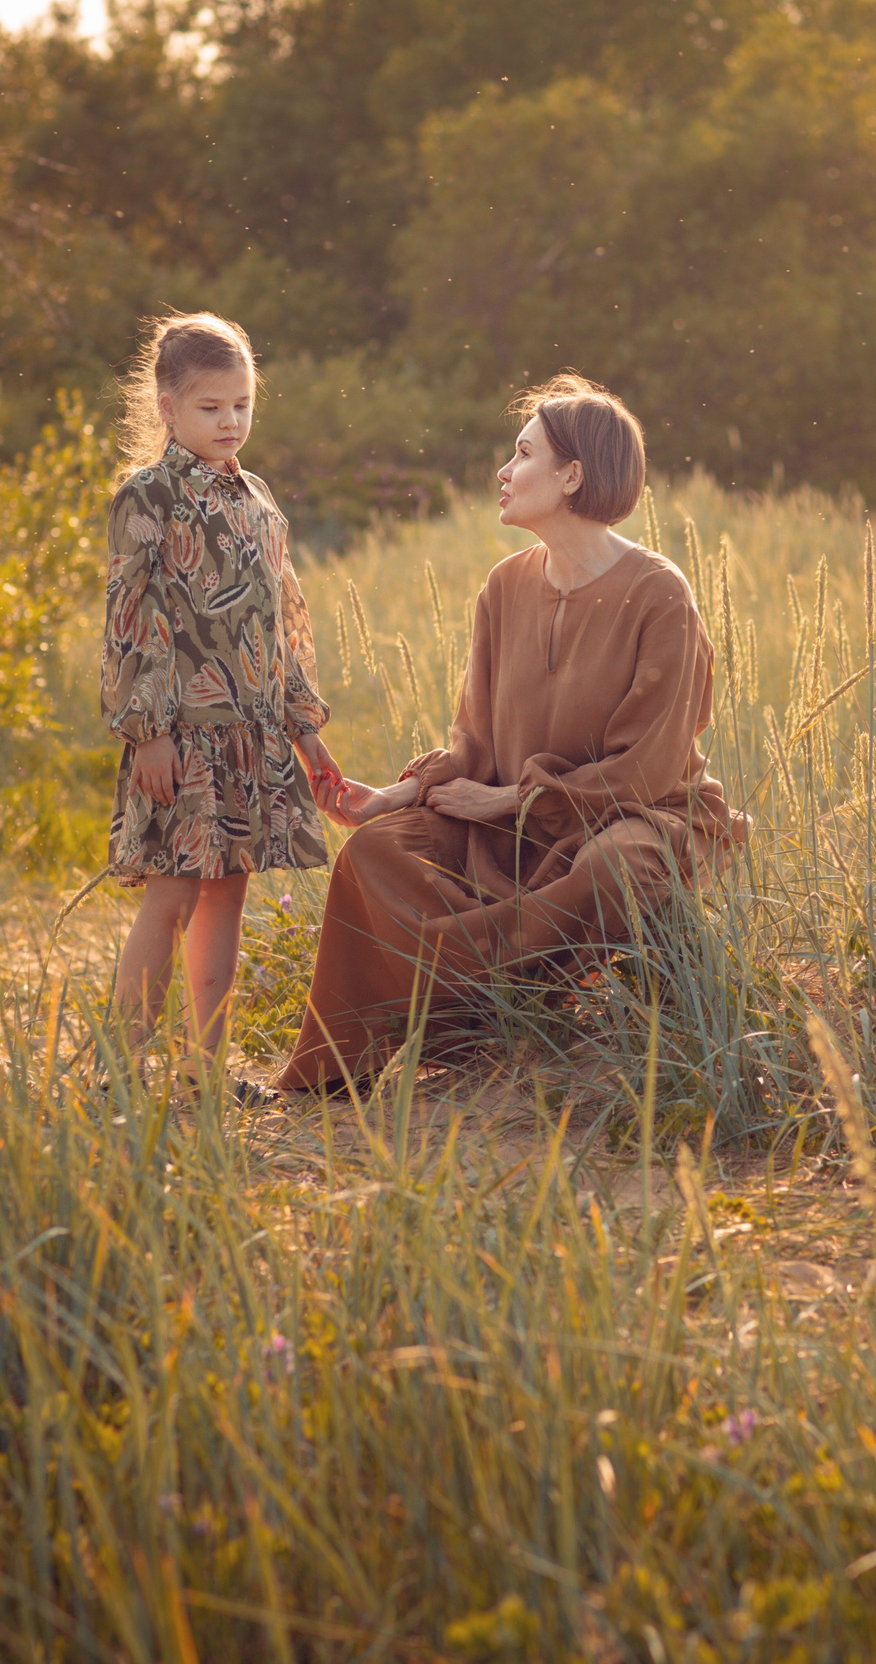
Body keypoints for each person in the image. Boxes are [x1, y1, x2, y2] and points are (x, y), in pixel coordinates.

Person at [278, 374, 746, 1091]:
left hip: (639, 816)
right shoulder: (504, 585)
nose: (503, 471)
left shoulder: (659, 594)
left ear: (572, 476)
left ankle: (495, 1014)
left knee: (614, 867)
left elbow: (648, 768)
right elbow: (475, 742)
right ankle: (339, 1074)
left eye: (522, 454)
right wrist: (398, 796)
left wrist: (509, 803)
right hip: (511, 825)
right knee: (376, 852)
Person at [100, 313, 344, 1088]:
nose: (230, 421)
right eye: (211, 407)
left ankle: (206, 1069)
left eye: (242, 404)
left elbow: (284, 619)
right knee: (170, 899)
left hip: (252, 737)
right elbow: (131, 619)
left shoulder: (258, 498)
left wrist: (304, 730)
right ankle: (123, 1069)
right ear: (168, 405)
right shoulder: (149, 496)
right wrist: (147, 733)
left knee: (226, 905)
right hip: (182, 736)